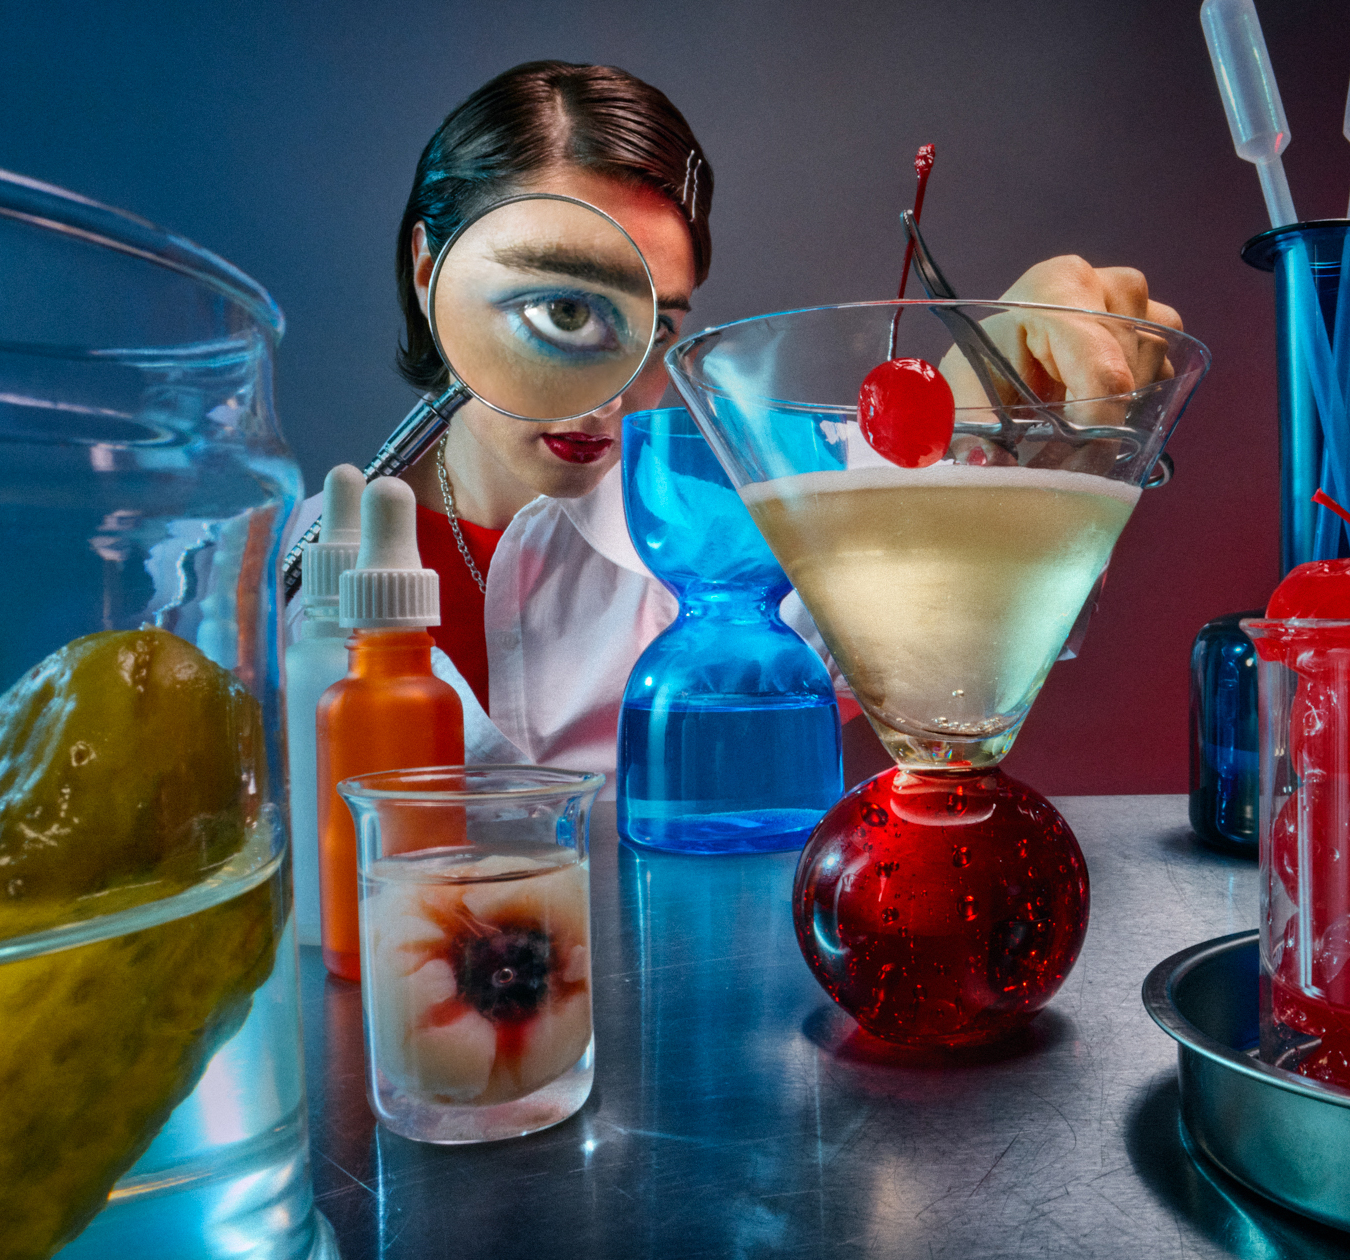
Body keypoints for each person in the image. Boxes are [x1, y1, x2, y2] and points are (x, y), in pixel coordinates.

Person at [288, 60, 1182, 777]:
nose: (611, 396)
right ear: (429, 271)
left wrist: (1003, 409)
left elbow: (934, 628)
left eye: (658, 327)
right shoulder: (291, 581)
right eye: (563, 314)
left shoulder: (740, 543)